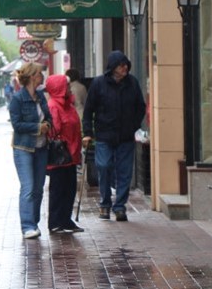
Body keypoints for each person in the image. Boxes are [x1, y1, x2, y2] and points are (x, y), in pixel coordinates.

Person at [82, 51, 147, 222]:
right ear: (112, 67)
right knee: (103, 166)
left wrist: (134, 125)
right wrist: (88, 132)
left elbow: (140, 106)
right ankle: (104, 204)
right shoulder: (99, 84)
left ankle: (119, 206)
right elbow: (89, 110)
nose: (124, 68)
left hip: (125, 135)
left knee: (124, 172)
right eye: (121, 65)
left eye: (126, 65)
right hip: (104, 134)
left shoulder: (132, 83)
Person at [8, 62, 52, 239]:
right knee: (28, 187)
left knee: (39, 188)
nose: (42, 76)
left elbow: (48, 116)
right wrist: (37, 128)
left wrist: (48, 124)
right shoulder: (18, 99)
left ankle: (33, 222)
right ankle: (27, 226)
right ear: (33, 76)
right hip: (23, 148)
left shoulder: (41, 96)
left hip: (41, 147)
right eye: (40, 74)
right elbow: (17, 125)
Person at [44, 74, 85, 233]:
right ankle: (55, 222)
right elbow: (54, 131)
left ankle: (65, 220)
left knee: (69, 188)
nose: (69, 89)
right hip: (61, 155)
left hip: (71, 154)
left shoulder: (69, 105)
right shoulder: (54, 106)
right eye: (66, 86)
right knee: (58, 189)